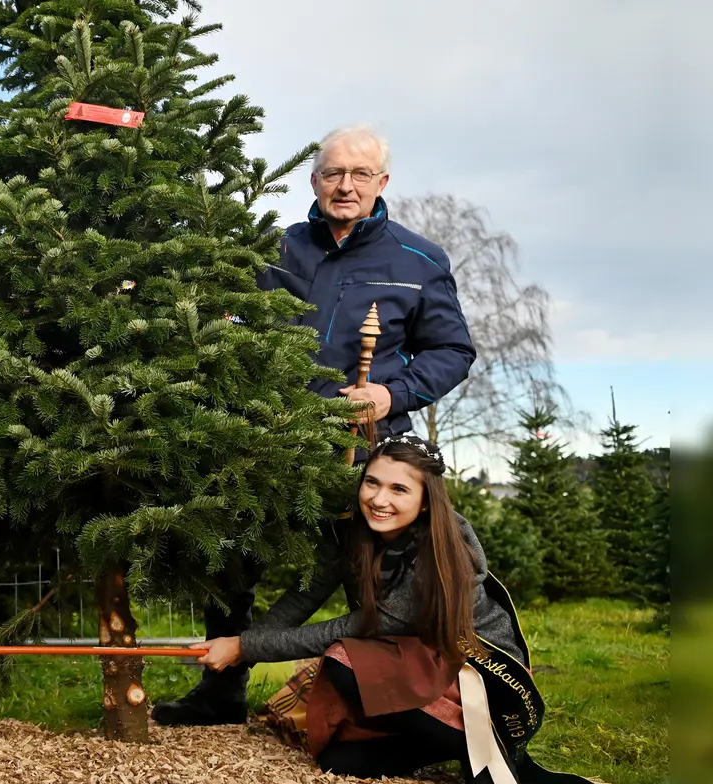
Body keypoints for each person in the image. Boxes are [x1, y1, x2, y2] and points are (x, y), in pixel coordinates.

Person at [154, 125, 477, 727]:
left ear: (382, 183)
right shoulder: (276, 250)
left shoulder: (419, 260)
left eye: (359, 174)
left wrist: (389, 393)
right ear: (314, 180)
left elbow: (454, 351)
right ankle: (220, 694)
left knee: (362, 567)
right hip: (268, 441)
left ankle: (391, 701)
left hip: (361, 450)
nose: (345, 185)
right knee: (234, 557)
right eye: (333, 173)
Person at [191, 435, 610, 784]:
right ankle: (434, 745)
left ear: (426, 501)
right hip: (407, 658)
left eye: (398, 489)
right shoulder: (350, 530)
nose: (379, 499)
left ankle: (487, 765)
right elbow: (302, 599)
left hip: (473, 672)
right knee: (340, 760)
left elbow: (364, 626)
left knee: (345, 661)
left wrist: (245, 646)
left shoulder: (445, 550)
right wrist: (243, 645)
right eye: (371, 483)